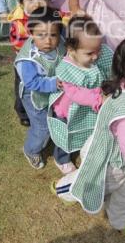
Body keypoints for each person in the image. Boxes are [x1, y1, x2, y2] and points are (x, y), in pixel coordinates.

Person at [52, 36, 125, 242]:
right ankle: (63, 187)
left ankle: (122, 221)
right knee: (90, 182)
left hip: (122, 163)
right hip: (111, 162)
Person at [14, 6, 75, 173]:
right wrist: (54, 83)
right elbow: (32, 83)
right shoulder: (28, 59)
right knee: (42, 128)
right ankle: (31, 150)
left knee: (62, 119)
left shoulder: (61, 44)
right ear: (31, 33)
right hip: (34, 96)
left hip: (56, 89)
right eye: (41, 35)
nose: (48, 40)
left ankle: (61, 154)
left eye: (53, 35)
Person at [48, 15, 113, 154]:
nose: (95, 56)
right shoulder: (67, 68)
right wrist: (99, 99)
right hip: (67, 110)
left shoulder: (96, 55)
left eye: (98, 50)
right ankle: (62, 158)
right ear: (71, 50)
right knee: (66, 134)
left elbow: (110, 70)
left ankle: (88, 148)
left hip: (90, 106)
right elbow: (76, 93)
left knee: (91, 128)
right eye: (90, 53)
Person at [7, 0, 52, 126]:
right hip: (26, 61)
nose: (36, 4)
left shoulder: (51, 13)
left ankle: (46, 105)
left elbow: (63, 17)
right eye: (31, 0)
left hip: (45, 58)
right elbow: (18, 45)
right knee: (23, 86)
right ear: (21, 3)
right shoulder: (18, 21)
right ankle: (22, 111)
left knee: (43, 82)